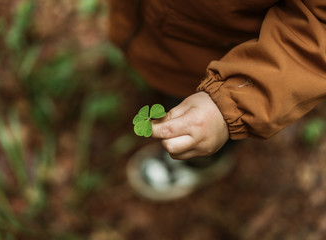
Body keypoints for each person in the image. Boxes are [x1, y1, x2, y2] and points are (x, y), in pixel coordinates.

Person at [107, 0, 326, 200]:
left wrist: (230, 104)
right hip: (156, 36)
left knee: (203, 127)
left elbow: (318, 27)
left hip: (232, 66)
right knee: (169, 93)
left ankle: (201, 162)